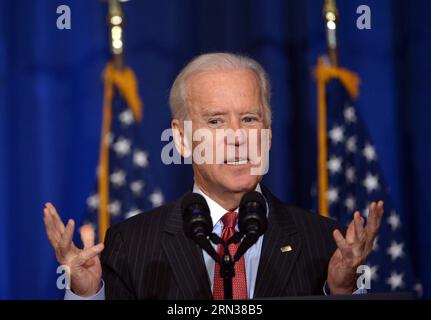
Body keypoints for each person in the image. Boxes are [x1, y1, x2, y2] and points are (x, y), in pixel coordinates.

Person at [43, 53, 384, 299]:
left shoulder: (323, 242)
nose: (238, 136)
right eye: (216, 121)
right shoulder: (130, 245)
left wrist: (341, 292)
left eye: (250, 119)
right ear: (181, 138)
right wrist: (88, 297)